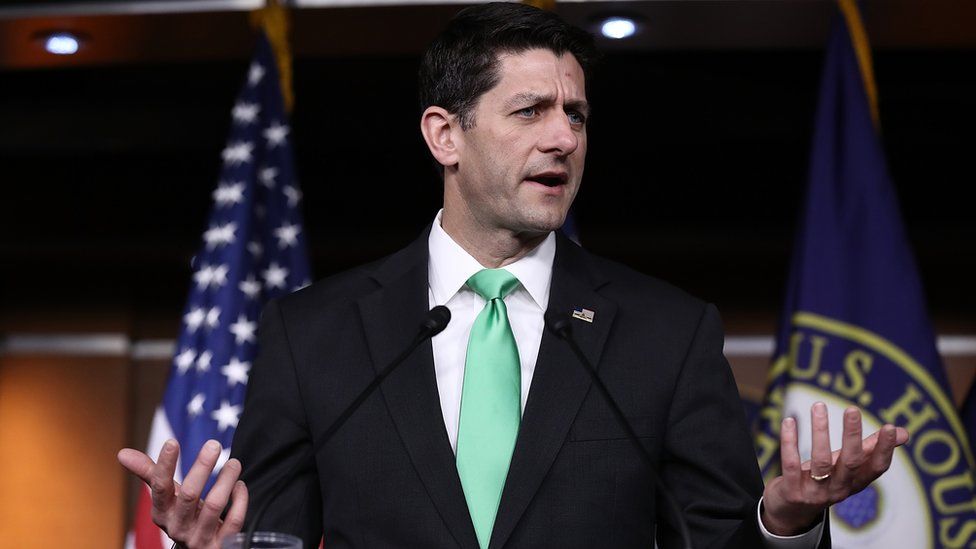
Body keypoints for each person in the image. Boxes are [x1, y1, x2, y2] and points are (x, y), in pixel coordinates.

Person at [118, 3, 909, 548]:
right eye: (530, 111)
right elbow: (276, 536)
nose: (564, 136)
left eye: (578, 114)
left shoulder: (668, 332)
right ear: (444, 135)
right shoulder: (312, 335)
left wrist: (783, 521)